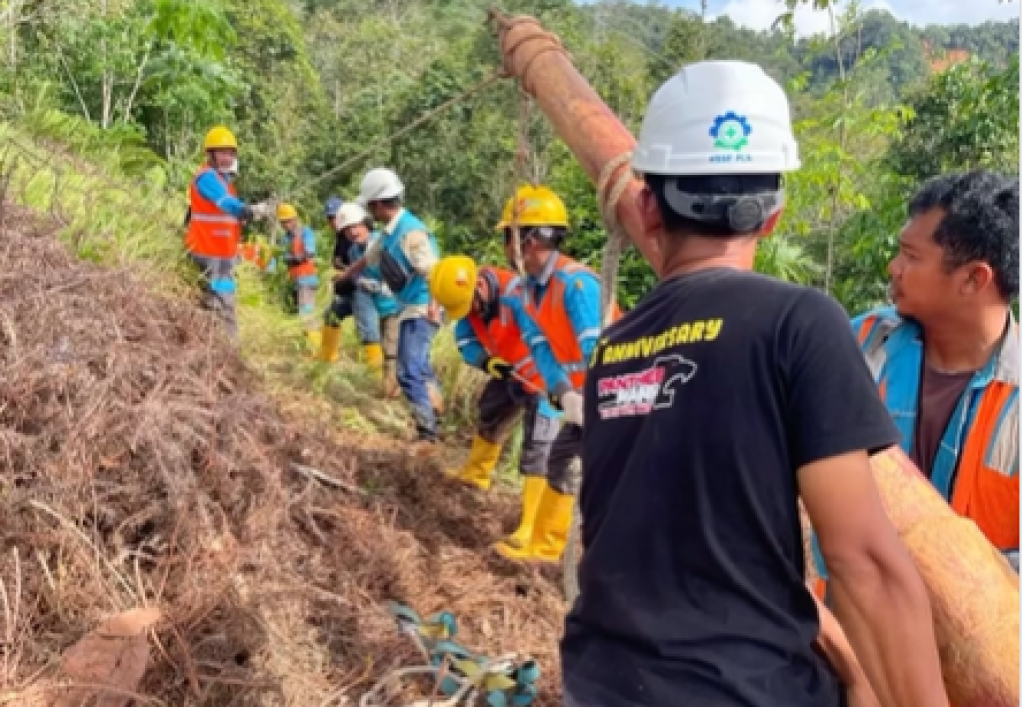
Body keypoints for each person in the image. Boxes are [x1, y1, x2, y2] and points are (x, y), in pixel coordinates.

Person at [560, 60, 948, 707]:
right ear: (773, 214)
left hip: (600, 684)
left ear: (649, 208)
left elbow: (692, 554)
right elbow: (865, 564)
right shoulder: (798, 323)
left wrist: (853, 670)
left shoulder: (614, 350)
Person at [811, 170, 1020, 603]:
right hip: (844, 625)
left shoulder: (1015, 401)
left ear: (973, 279)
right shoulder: (861, 345)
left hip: (973, 641)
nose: (894, 267)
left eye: (910, 256)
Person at [492, 185, 617, 564]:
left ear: (528, 240)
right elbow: (541, 349)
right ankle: (546, 549)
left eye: (508, 236)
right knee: (561, 460)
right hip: (581, 398)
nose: (505, 246)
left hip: (616, 395)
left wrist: (591, 400)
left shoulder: (576, 286)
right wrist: (565, 394)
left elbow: (601, 354)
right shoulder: (526, 291)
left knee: (613, 476)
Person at [428, 255, 565, 550]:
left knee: (539, 446)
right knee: (491, 411)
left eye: (470, 306)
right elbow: (466, 340)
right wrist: (486, 362)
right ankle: (476, 474)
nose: (470, 313)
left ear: (479, 286)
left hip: (546, 379)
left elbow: (548, 340)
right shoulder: (467, 300)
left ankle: (532, 525)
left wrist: (556, 385)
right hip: (509, 370)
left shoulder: (518, 296)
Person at [342, 167, 444, 449]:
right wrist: (346, 275)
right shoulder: (388, 233)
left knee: (407, 370)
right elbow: (368, 258)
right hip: (409, 305)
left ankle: (428, 434)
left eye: (369, 206)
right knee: (420, 366)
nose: (369, 212)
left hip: (422, 307)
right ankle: (435, 412)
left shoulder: (410, 233)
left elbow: (434, 272)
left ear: (377, 204)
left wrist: (434, 306)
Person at [185, 126, 272, 337]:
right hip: (210, 252)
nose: (228, 158)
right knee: (225, 308)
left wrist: (251, 213)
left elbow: (227, 215)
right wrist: (248, 210)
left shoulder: (224, 182)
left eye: (231, 153)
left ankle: (207, 345)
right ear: (211, 154)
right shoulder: (207, 178)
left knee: (214, 305)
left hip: (220, 253)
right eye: (222, 152)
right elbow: (226, 203)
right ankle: (229, 351)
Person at [329, 203, 402, 395]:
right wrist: (347, 279)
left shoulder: (382, 244)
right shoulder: (354, 250)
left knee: (390, 348)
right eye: (347, 229)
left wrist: (373, 284)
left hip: (391, 303)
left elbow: (396, 277)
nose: (353, 232)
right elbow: (357, 273)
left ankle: (388, 387)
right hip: (369, 299)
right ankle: (326, 357)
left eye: (356, 226)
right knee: (332, 312)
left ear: (366, 224)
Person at [277, 203, 320, 347]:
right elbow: (282, 256)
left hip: (307, 280)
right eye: (283, 222)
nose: (286, 225)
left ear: (295, 219)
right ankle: (308, 344)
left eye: (288, 221)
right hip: (295, 281)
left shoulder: (306, 233)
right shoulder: (285, 238)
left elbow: (309, 253)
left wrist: (291, 258)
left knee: (307, 314)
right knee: (300, 314)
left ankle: (315, 345)